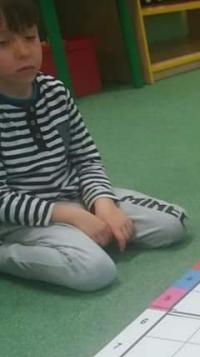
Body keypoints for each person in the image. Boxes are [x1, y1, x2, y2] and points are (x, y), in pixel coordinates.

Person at [0, 0, 187, 292]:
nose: (23, 51)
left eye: (30, 37)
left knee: (172, 224)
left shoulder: (55, 92)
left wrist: (103, 204)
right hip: (22, 219)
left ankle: (83, 232)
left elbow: (86, 159)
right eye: (3, 43)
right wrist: (72, 216)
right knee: (94, 270)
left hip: (75, 195)